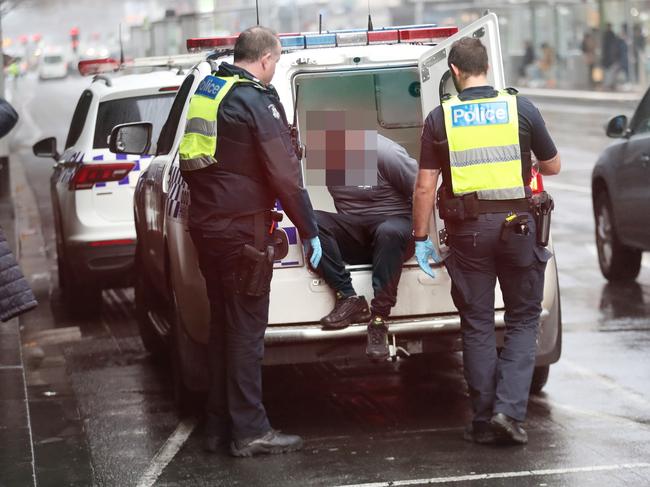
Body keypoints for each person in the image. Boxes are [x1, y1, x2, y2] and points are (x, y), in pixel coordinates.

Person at [179, 26, 322, 457]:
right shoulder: (254, 99)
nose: (275, 70)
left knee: (223, 326)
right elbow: (284, 172)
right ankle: (250, 431)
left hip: (208, 227)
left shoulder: (210, 87)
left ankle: (219, 426)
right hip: (242, 231)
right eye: (276, 62)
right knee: (245, 332)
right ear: (264, 60)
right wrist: (311, 229)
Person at [413, 37, 561, 445]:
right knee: (522, 320)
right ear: (487, 69)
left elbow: (425, 187)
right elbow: (554, 165)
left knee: (477, 324)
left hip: (468, 234)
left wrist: (421, 238)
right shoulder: (521, 108)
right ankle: (508, 413)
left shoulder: (439, 119)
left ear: (455, 73)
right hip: (519, 228)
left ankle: (482, 420)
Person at [314, 134, 417, 361]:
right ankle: (349, 298)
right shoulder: (329, 161)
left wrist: (422, 235)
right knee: (310, 220)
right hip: (362, 233)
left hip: (396, 228)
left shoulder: (386, 153)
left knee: (387, 231)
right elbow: (346, 211)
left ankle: (379, 318)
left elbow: (420, 191)